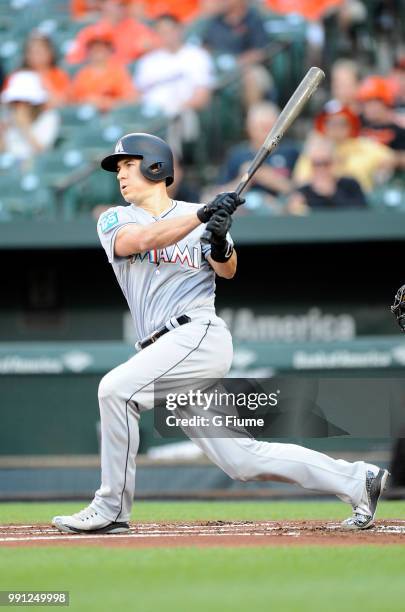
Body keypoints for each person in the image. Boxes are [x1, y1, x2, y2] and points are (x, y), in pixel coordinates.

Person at [51, 131, 388, 535]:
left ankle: (111, 508)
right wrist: (203, 217)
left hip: (196, 336)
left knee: (115, 391)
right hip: (164, 353)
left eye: (128, 165)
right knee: (241, 460)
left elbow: (228, 269)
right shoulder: (116, 218)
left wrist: (218, 240)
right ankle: (357, 480)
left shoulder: (201, 215)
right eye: (118, 168)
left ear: (155, 166)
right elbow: (140, 240)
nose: (120, 175)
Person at [293, 100, 394, 192]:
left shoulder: (363, 145)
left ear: (350, 125)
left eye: (342, 123)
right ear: (323, 125)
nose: (336, 128)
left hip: (358, 202)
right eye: (331, 123)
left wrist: (383, 171)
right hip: (322, 202)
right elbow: (300, 181)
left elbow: (390, 157)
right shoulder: (315, 148)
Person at [133, 14, 214, 119]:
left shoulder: (197, 55)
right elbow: (136, 97)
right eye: (162, 32)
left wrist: (175, 109)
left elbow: (202, 98)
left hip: (180, 115)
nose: (167, 35)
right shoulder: (147, 61)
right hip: (150, 117)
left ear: (180, 30)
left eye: (170, 30)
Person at [217, 101, 298, 205]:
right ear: (249, 128)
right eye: (262, 127)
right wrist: (244, 179)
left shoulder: (290, 152)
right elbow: (218, 194)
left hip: (281, 212)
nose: (267, 132)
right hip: (243, 211)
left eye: (270, 126)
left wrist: (263, 175)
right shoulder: (237, 155)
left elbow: (299, 190)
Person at [203, 0, 273, 107]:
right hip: (220, 72)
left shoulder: (253, 18)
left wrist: (237, 62)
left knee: (253, 76)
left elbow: (260, 52)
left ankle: (253, 119)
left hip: (247, 69)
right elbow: (205, 48)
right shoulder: (214, 21)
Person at [288, 135, 367, 214]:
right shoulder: (304, 191)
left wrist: (332, 194)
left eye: (325, 163)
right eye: (316, 164)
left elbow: (362, 211)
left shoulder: (350, 185)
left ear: (335, 163)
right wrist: (293, 207)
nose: (321, 169)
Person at [66, 0, 160, 66]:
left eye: (124, 4)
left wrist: (150, 47)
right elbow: (73, 61)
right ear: (104, 5)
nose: (122, 8)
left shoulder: (139, 29)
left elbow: (162, 47)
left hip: (129, 83)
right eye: (118, 4)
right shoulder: (90, 33)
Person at [0, 70, 60, 164]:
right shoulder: (8, 116)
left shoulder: (49, 118)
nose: (19, 106)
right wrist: (2, 133)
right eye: (16, 102)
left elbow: (42, 152)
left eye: (24, 101)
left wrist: (24, 126)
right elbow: (3, 152)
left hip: (35, 165)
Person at [69, 33, 137, 112]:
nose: (97, 52)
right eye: (94, 49)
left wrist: (106, 102)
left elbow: (132, 99)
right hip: (88, 116)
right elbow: (71, 101)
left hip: (112, 115)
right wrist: (86, 101)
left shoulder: (118, 72)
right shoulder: (83, 74)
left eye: (101, 49)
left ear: (109, 51)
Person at [357, 75, 405, 170]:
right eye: (366, 103)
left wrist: (395, 159)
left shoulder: (398, 131)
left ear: (386, 102)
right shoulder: (358, 126)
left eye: (374, 102)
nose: (369, 108)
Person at [19, 32, 70, 107]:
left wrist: (44, 82)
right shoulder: (18, 76)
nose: (37, 55)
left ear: (50, 52)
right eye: (33, 51)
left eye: (40, 50)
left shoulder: (59, 75)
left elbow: (63, 103)